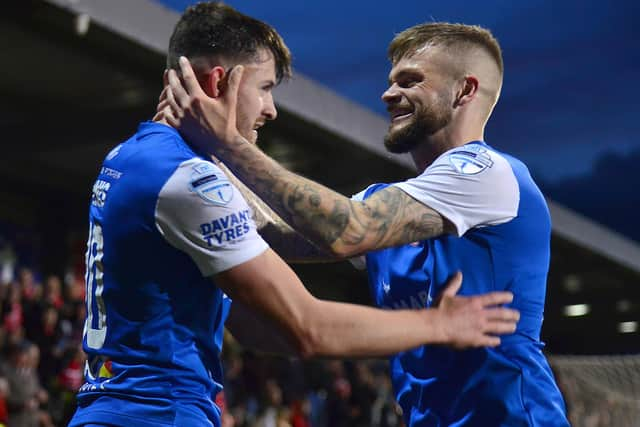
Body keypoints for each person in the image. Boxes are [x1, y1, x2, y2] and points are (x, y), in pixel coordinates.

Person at [69, 5, 520, 427]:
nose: (271, 109)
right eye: (265, 88)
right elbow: (309, 326)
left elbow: (258, 326)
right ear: (220, 82)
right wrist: (437, 325)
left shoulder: (130, 157)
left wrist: (385, 338)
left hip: (110, 409)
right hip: (160, 413)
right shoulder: (189, 180)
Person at [161, 19, 570, 426]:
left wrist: (227, 143)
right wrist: (200, 161)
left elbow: (344, 231)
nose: (389, 94)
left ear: (464, 90)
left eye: (410, 81)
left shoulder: (490, 173)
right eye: (392, 81)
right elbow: (283, 234)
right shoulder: (386, 201)